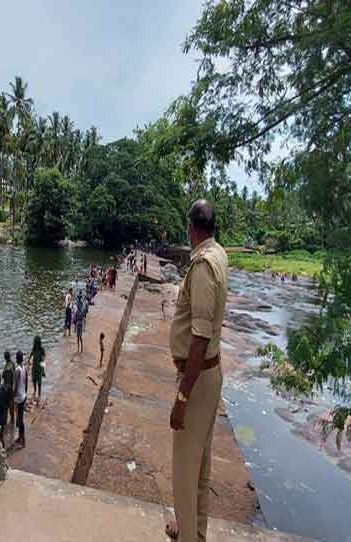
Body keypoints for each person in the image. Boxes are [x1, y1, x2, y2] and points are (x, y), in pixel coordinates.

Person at [165, 200, 229, 542]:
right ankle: (195, 534)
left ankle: (189, 536)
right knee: (200, 469)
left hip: (198, 377)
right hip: (209, 374)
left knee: (184, 476)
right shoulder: (219, 253)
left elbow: (200, 337)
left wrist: (181, 397)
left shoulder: (203, 265)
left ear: (191, 227)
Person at [14, 350, 28, 447]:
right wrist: (25, 392)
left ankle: (23, 441)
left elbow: (16, 385)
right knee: (19, 418)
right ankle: (20, 438)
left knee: (20, 419)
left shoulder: (17, 370)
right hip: (23, 396)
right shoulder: (24, 368)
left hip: (19, 398)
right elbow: (26, 382)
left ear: (16, 359)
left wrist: (13, 396)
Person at [28, 335, 45, 405]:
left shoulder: (41, 349)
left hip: (38, 367)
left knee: (38, 380)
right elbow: (30, 355)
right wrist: (29, 360)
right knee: (35, 379)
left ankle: (39, 394)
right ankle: (35, 391)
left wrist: (43, 369)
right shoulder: (34, 349)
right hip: (35, 367)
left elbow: (43, 358)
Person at [2, 350, 16, 426]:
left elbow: (3, 376)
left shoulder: (7, 366)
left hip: (7, 388)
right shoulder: (12, 364)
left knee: (8, 405)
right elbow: (14, 377)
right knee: (11, 404)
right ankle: (12, 419)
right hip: (10, 388)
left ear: (5, 358)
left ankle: (11, 419)